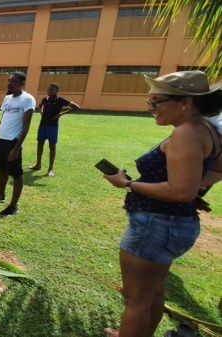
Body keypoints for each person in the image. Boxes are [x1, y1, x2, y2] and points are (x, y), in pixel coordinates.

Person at [102, 70, 222, 337]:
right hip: (177, 224)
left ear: (185, 102)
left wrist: (127, 184)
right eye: (150, 102)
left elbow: (180, 192)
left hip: (156, 225)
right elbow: (212, 171)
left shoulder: (186, 133)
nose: (151, 109)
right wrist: (194, 183)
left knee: (135, 300)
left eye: (157, 102)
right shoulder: (208, 130)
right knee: (153, 292)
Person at [0, 72, 36, 216]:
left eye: (13, 81)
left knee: (17, 174)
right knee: (2, 169)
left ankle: (13, 206)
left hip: (13, 142)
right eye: (8, 81)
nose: (9, 84)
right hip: (1, 140)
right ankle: (0, 195)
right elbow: (2, 121)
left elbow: (26, 125)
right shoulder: (7, 98)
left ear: (23, 82)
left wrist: (17, 148)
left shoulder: (28, 99)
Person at [28, 83, 80, 177]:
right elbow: (40, 105)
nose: (49, 91)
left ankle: (50, 168)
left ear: (57, 91)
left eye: (52, 90)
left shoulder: (60, 100)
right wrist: (41, 111)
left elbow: (76, 107)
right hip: (42, 125)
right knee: (40, 144)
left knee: (52, 147)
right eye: (48, 89)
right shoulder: (45, 99)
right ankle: (38, 164)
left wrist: (61, 114)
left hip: (52, 126)